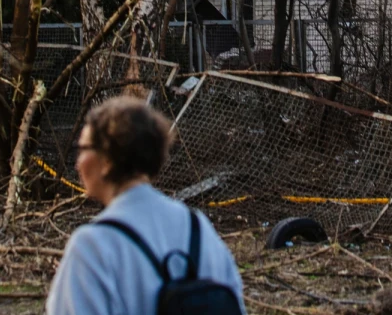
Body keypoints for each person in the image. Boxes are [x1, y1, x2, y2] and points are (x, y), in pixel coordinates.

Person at [47, 96, 245, 315]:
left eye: (83, 148)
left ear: (107, 160)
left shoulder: (92, 247)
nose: (77, 162)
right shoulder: (198, 228)